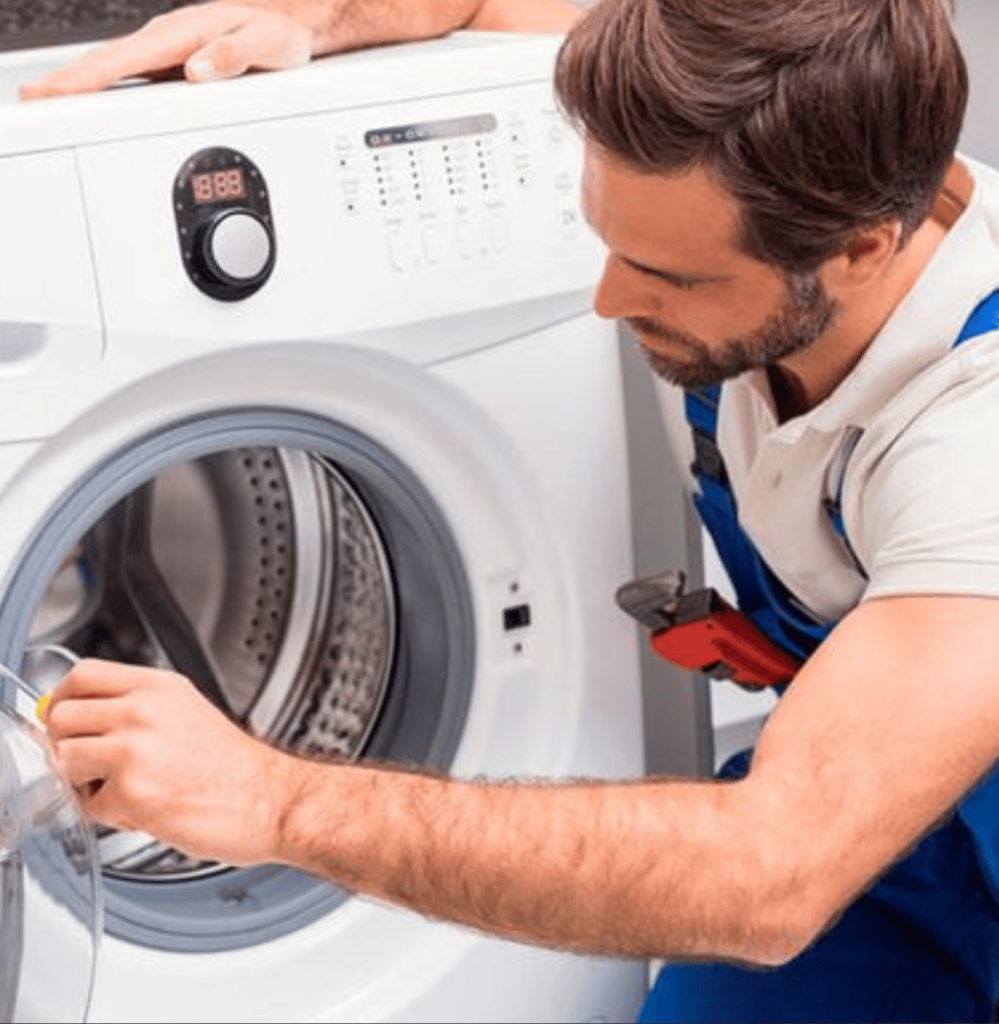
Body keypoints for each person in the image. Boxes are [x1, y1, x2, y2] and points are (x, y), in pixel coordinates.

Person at [29, 0, 999, 1021]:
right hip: (891, 814)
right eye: (606, 238)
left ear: (858, 249)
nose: (608, 302)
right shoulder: (749, 117)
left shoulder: (972, 435)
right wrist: (317, 18)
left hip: (839, 824)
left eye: (668, 274)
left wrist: (272, 797)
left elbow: (767, 874)